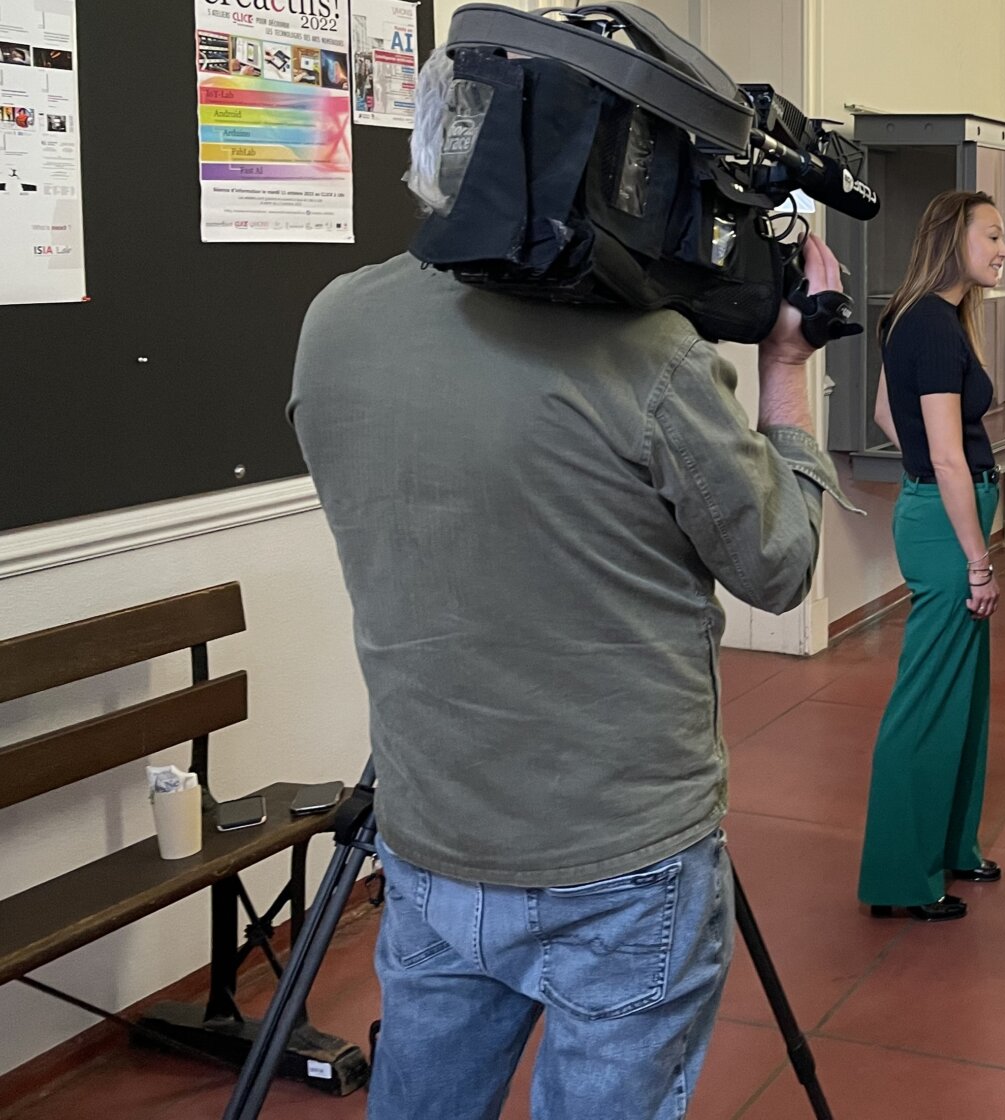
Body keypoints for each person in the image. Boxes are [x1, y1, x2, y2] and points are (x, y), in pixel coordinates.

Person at [289, 68, 845, 1118]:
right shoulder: (650, 355)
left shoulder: (337, 323)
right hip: (620, 855)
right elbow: (778, 565)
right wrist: (784, 367)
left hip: (431, 830)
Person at [859, 190, 1005, 922]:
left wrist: (926, 468)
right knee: (927, 698)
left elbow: (885, 414)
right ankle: (900, 876)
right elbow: (949, 457)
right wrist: (977, 560)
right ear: (954, 239)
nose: (1003, 250)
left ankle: (951, 845)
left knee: (963, 694)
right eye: (993, 236)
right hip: (950, 522)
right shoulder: (931, 325)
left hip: (942, 510)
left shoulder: (924, 317)